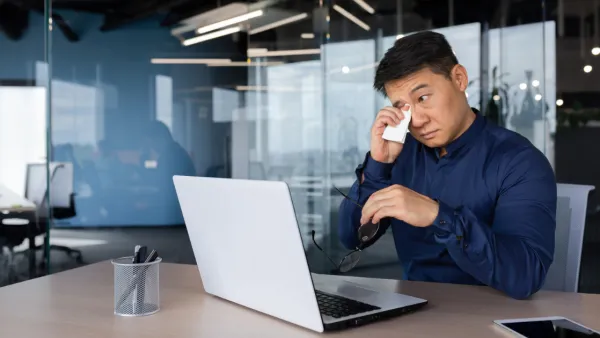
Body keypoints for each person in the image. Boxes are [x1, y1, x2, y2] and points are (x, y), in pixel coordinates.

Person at [338, 31, 556, 300]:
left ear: (459, 79)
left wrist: (438, 216)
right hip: (416, 313)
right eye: (403, 107)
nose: (416, 120)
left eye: (423, 98)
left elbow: (525, 275)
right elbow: (352, 238)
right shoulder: (401, 155)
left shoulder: (519, 161)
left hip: (495, 317)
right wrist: (378, 164)